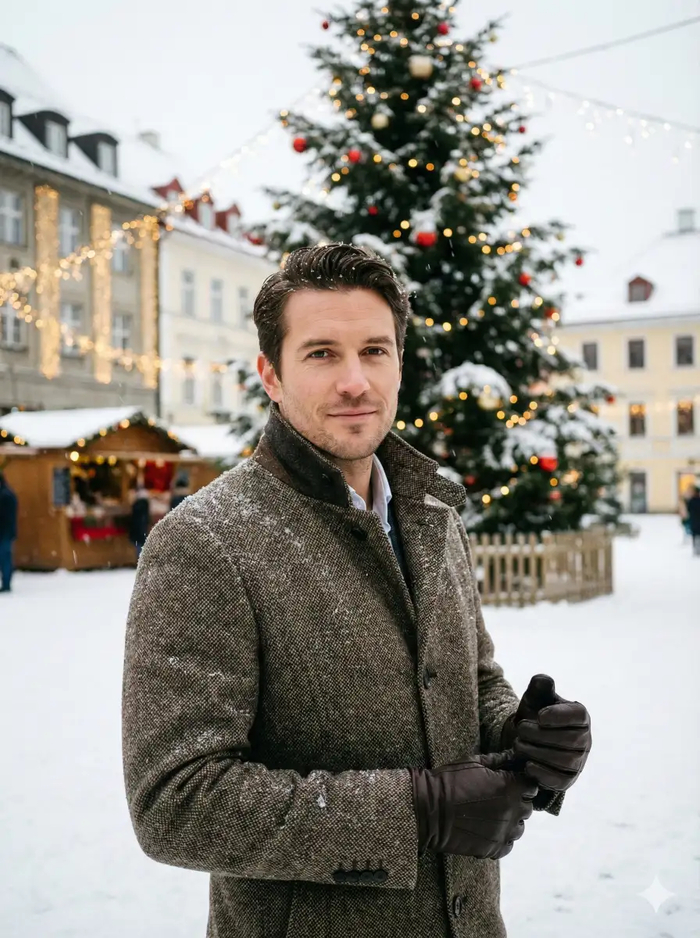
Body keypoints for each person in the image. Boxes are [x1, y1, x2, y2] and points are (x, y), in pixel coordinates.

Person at [122, 244, 592, 938]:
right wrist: (418, 811)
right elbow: (175, 802)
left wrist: (520, 732)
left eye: (375, 351)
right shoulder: (206, 541)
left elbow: (471, 678)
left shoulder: (432, 514)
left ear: (399, 363)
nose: (354, 381)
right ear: (271, 375)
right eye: (321, 354)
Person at [0, 470, 18, 593]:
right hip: (6, 531)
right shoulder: (7, 494)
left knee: (5, 558)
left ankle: (6, 583)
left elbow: (5, 516)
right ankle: (6, 582)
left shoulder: (5, 495)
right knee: (5, 558)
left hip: (4, 532)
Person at [128, 485, 150, 561]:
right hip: (142, 529)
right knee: (141, 544)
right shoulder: (145, 505)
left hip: (138, 529)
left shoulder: (137, 505)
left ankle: (140, 559)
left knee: (139, 545)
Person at [686, 485, 700, 556]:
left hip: (694, 521)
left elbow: (688, 510)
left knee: (694, 536)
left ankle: (695, 549)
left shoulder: (691, 501)